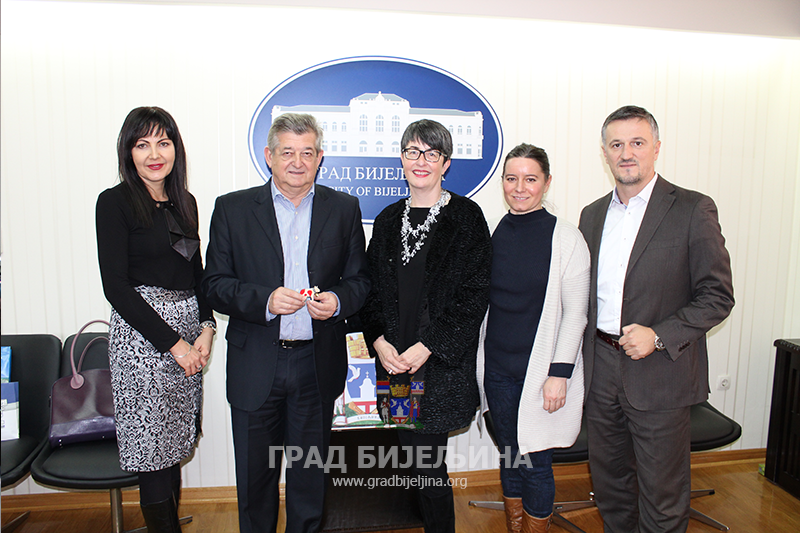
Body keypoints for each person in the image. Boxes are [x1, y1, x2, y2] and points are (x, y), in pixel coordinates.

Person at [201, 113, 369, 533]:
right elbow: (214, 285)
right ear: (269, 156)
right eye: (288, 152)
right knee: (255, 483)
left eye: (307, 153)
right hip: (256, 364)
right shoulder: (232, 209)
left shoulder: (344, 208)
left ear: (320, 158)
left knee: (309, 480)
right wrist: (265, 300)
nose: (297, 162)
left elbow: (361, 281)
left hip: (316, 365)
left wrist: (337, 301)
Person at [578, 105, 734, 533]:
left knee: (662, 496)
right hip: (601, 369)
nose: (626, 153)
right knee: (611, 488)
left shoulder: (692, 209)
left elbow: (717, 296)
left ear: (656, 148)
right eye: (616, 144)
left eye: (637, 143)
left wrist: (659, 335)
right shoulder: (592, 215)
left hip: (660, 371)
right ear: (605, 153)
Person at [359, 119, 492, 533]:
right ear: (402, 159)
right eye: (413, 152)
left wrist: (428, 345)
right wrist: (378, 341)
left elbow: (474, 295)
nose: (421, 161)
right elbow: (371, 291)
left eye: (432, 154)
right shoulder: (387, 220)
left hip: (438, 367)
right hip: (396, 366)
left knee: (429, 468)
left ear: (445, 164)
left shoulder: (466, 217)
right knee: (416, 465)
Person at [96, 106, 215, 532]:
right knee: (152, 450)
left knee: (175, 443)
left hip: (188, 335)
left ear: (175, 149)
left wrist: (206, 328)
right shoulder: (114, 202)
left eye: (163, 143)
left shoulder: (186, 203)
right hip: (142, 341)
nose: (154, 154)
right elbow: (116, 287)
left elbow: (197, 274)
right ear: (128, 151)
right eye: (142, 144)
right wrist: (175, 345)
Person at [476, 144, 590, 532]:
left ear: (546, 182)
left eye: (530, 179)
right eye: (511, 179)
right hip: (497, 370)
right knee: (510, 454)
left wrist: (560, 374)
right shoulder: (491, 231)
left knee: (536, 461)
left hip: (541, 375)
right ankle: (515, 525)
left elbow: (576, 313)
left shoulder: (567, 239)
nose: (519, 188)